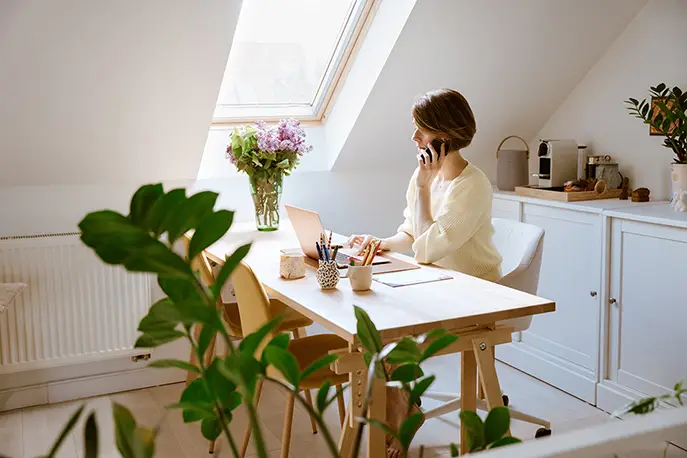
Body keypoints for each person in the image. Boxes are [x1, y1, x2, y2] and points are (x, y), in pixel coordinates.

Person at [347, 88, 502, 457]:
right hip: (436, 284)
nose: (414, 138)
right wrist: (380, 242)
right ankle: (403, 412)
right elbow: (412, 234)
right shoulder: (426, 175)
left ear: (443, 137)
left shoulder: (472, 184)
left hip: (473, 294)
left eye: (421, 130)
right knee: (371, 332)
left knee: (386, 337)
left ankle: (399, 417)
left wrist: (421, 187)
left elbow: (429, 246)